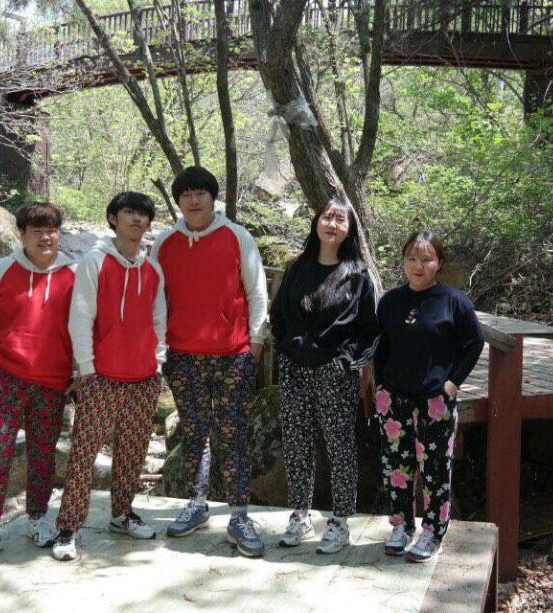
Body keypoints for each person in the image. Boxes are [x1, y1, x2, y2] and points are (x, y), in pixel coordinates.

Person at [151, 166, 268, 558]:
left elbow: (257, 291)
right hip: (183, 356)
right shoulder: (165, 243)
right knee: (195, 433)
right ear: (178, 201)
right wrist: (161, 349)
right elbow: (157, 300)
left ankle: (239, 515)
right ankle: (196, 504)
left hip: (232, 355)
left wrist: (254, 344)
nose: (194, 200)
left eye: (200, 193)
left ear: (212, 198)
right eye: (186, 194)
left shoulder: (237, 236)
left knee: (234, 433)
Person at [51, 192, 167, 561]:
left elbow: (159, 320)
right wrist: (87, 367)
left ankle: (122, 514)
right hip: (101, 376)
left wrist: (157, 362)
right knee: (84, 453)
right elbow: (81, 316)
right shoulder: (95, 261)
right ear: (113, 218)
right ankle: (68, 527)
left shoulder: (153, 269)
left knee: (133, 451)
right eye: (128, 213)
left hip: (144, 377)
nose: (136, 220)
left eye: (142, 215)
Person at [0, 202, 76, 565]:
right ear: (22, 234)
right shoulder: (1, 270)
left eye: (52, 230)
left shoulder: (74, 274)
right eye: (36, 230)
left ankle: (38, 519)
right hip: (6, 378)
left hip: (53, 382)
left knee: (43, 455)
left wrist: (78, 371)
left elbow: (85, 326)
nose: (45, 237)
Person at [269, 197, 380, 554]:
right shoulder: (297, 267)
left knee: (339, 444)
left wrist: (345, 360)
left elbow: (369, 329)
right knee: (296, 442)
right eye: (327, 217)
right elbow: (278, 315)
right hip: (295, 368)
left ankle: (340, 521)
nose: (332, 224)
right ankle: (299, 516)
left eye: (340, 220)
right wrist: (286, 348)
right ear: (317, 222)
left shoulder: (357, 274)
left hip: (335, 371)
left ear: (349, 229)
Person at [373, 230, 484, 563]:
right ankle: (401, 526)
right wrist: (381, 386)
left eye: (426, 259)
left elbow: (474, 343)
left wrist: (453, 383)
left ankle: (433, 531)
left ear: (440, 262)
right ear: (403, 261)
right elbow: (381, 346)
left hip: (435, 400)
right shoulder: (390, 301)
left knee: (435, 468)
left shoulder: (454, 301)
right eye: (411, 258)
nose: (418, 266)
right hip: (394, 399)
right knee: (397, 467)